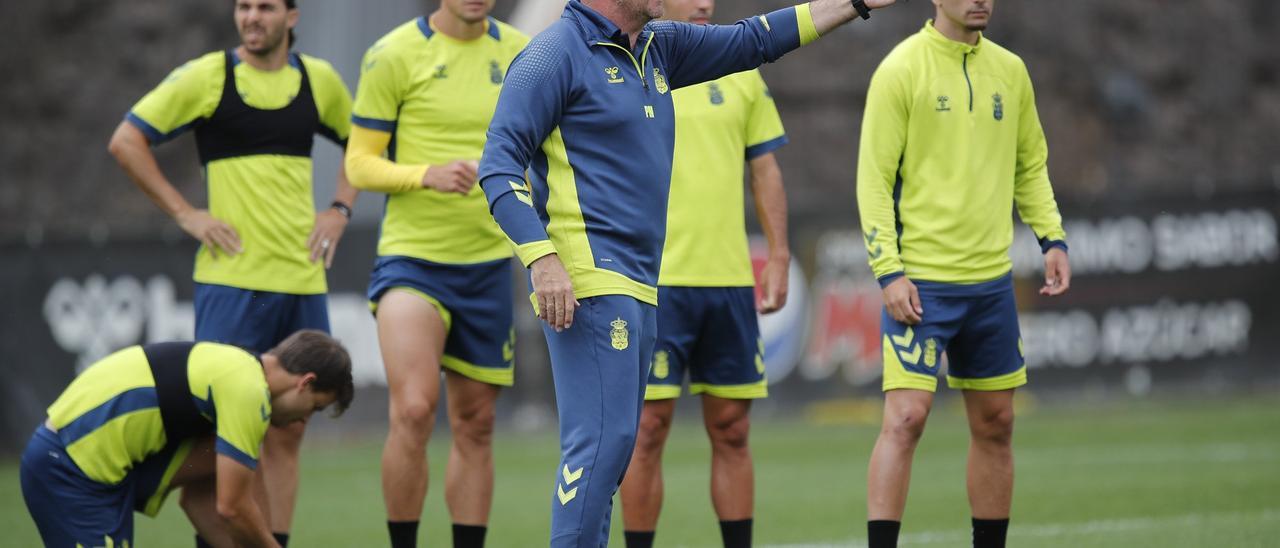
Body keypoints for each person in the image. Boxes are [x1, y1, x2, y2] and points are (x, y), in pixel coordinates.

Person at [477, 0, 897, 544]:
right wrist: (541, 256)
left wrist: (853, 4)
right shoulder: (554, 54)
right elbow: (498, 164)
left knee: (612, 454)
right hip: (589, 281)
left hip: (640, 284)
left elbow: (755, 38)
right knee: (600, 447)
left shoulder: (660, 45)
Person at [106, 1, 356, 544]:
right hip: (231, 285)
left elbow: (365, 140)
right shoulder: (207, 76)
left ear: (292, 16)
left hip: (301, 280)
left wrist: (339, 208)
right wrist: (185, 213)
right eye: (243, 6)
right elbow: (126, 140)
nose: (251, 17)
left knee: (289, 430)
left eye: (265, 6)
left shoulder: (321, 81)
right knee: (220, 431)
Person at [856, 0, 1071, 546]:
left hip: (991, 284)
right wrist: (889, 272)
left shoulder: (1012, 71)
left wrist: (1051, 237)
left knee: (998, 423)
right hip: (921, 284)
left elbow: (1030, 164)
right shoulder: (901, 69)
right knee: (905, 420)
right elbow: (874, 182)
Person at [342, 2, 528, 547]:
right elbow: (359, 163)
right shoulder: (393, 53)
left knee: (476, 424)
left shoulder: (522, 52)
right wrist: (426, 174)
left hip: (490, 263)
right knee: (416, 409)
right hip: (413, 261)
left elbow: (548, 145)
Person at [616, 0, 791, 545]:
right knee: (645, 432)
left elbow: (763, 168)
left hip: (728, 283)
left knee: (733, 430)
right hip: (653, 283)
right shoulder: (628, 62)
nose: (705, 3)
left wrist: (779, 254)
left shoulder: (741, 70)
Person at [19, 330, 355, 548]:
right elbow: (233, 508)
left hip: (103, 476)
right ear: (305, 383)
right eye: (315, 408)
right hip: (69, 470)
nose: (303, 420)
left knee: (223, 456)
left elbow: (199, 500)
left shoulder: (240, 371)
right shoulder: (248, 391)